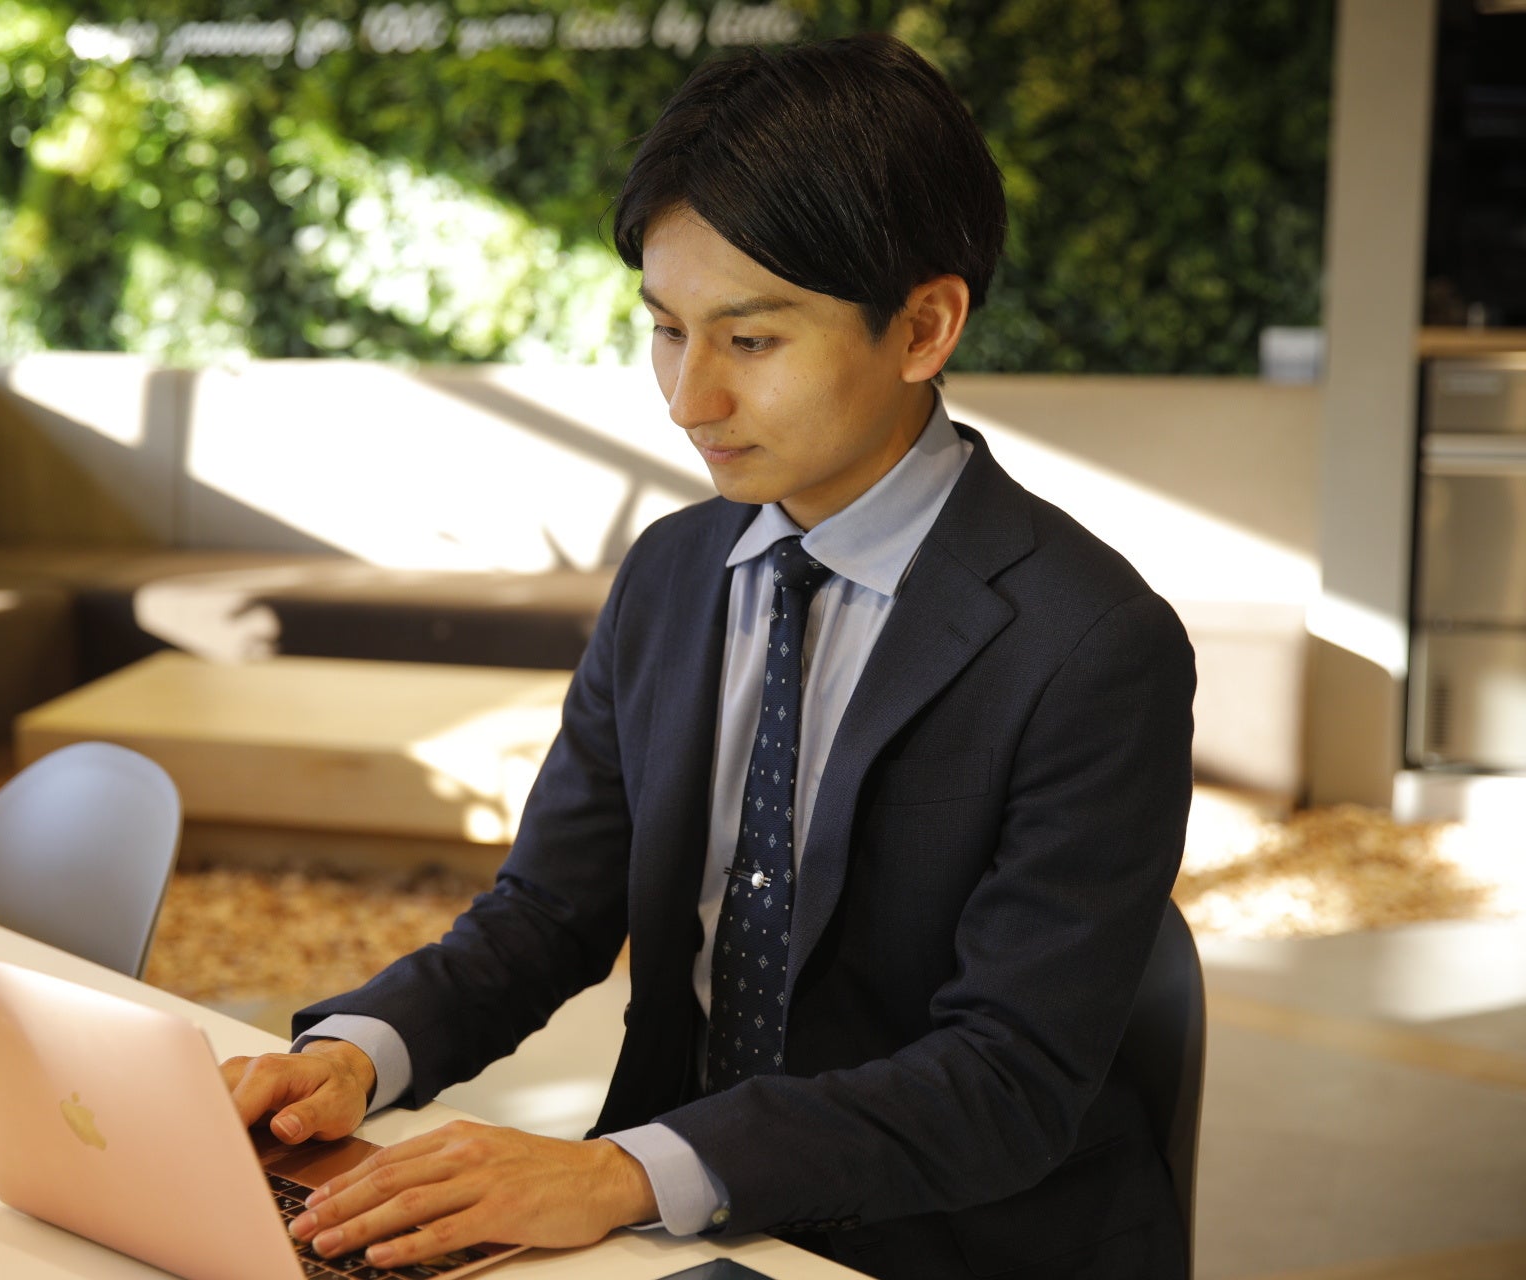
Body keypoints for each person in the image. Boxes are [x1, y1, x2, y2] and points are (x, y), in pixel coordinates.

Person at [223, 31, 1195, 1280]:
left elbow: (1006, 1077)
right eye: (667, 329)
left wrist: (621, 1172)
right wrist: (357, 1053)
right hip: (668, 1225)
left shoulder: (1092, 644)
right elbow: (550, 909)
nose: (689, 400)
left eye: (751, 340)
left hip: (947, 1243)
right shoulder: (674, 572)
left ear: (924, 326)